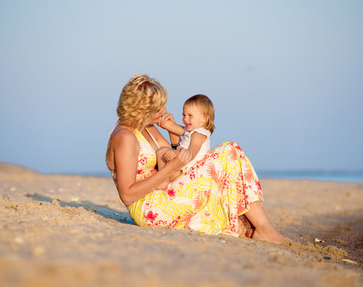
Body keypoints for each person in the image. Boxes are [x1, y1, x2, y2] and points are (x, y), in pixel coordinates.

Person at [105, 74, 291, 244]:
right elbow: (127, 195)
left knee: (229, 156)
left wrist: (172, 134)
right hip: (150, 208)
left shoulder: (147, 127)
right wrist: (171, 168)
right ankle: (264, 228)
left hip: (167, 187)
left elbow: (175, 155)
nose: (164, 110)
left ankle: (259, 227)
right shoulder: (125, 137)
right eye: (158, 108)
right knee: (230, 152)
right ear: (141, 109)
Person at [155, 94, 214, 182]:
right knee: (162, 153)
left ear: (204, 118)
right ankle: (162, 180)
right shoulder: (190, 131)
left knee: (163, 152)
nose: (185, 119)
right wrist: (158, 119)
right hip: (181, 167)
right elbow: (171, 126)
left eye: (190, 116)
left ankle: (161, 182)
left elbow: (191, 153)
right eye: (184, 115)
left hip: (187, 172)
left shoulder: (199, 134)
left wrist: (177, 152)